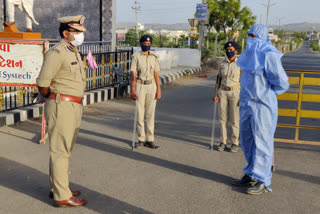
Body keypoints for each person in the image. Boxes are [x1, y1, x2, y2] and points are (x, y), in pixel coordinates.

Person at [36, 15, 87, 207]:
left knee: (65, 149)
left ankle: (58, 186)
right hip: (61, 105)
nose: (81, 35)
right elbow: (42, 83)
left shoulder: (72, 51)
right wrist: (52, 96)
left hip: (72, 105)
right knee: (61, 151)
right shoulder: (57, 53)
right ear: (66, 33)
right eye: (77, 32)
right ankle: (62, 195)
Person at [232, 24, 289, 195]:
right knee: (248, 140)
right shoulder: (248, 53)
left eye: (253, 35)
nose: (250, 38)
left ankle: (263, 180)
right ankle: (251, 174)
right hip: (247, 105)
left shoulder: (269, 54)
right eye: (248, 34)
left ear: (261, 36)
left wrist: (268, 95)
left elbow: (282, 82)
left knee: (262, 142)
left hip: (263, 107)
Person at [131, 35, 161, 149]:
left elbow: (156, 74)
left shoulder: (154, 57)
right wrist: (133, 89)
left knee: (150, 114)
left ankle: (150, 139)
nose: (146, 45)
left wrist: (159, 89)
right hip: (140, 85)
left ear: (151, 44)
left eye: (148, 44)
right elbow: (133, 74)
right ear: (140, 44)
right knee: (140, 114)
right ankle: (141, 139)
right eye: (144, 43)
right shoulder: (136, 57)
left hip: (152, 86)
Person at [213, 41, 241, 153]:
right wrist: (216, 94)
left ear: (236, 51)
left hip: (235, 93)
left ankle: (234, 142)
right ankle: (223, 141)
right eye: (227, 50)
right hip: (222, 92)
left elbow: (244, 81)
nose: (229, 52)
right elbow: (218, 80)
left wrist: (243, 96)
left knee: (234, 120)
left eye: (231, 50)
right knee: (222, 119)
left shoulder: (240, 64)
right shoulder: (222, 64)